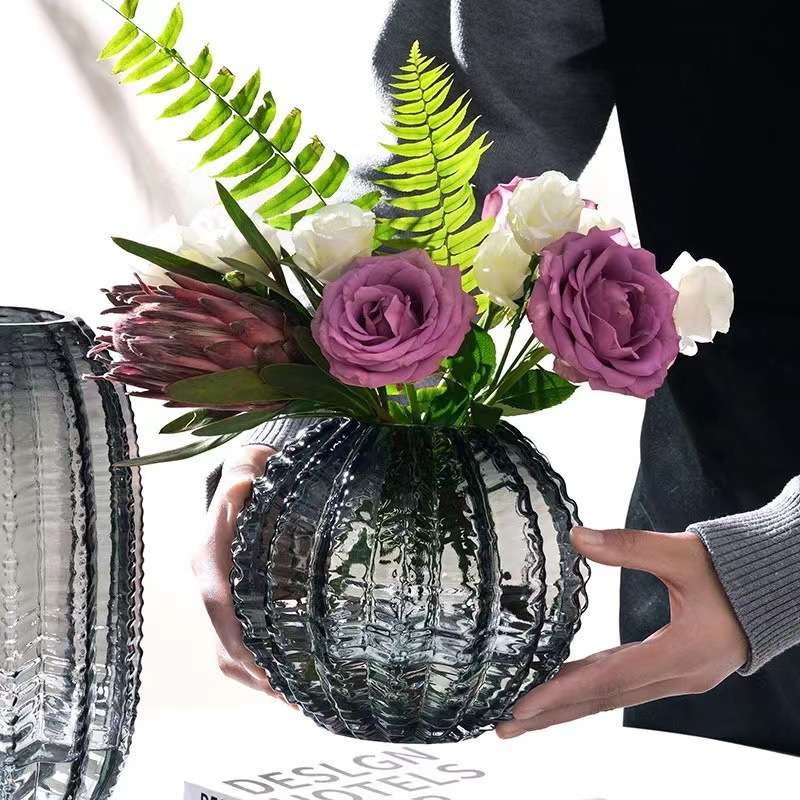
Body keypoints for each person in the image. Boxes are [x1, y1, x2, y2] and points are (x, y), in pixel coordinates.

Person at [199, 0, 800, 754]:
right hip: (712, 557)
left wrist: (779, 562)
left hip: (738, 577)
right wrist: (298, 443)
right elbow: (447, 153)